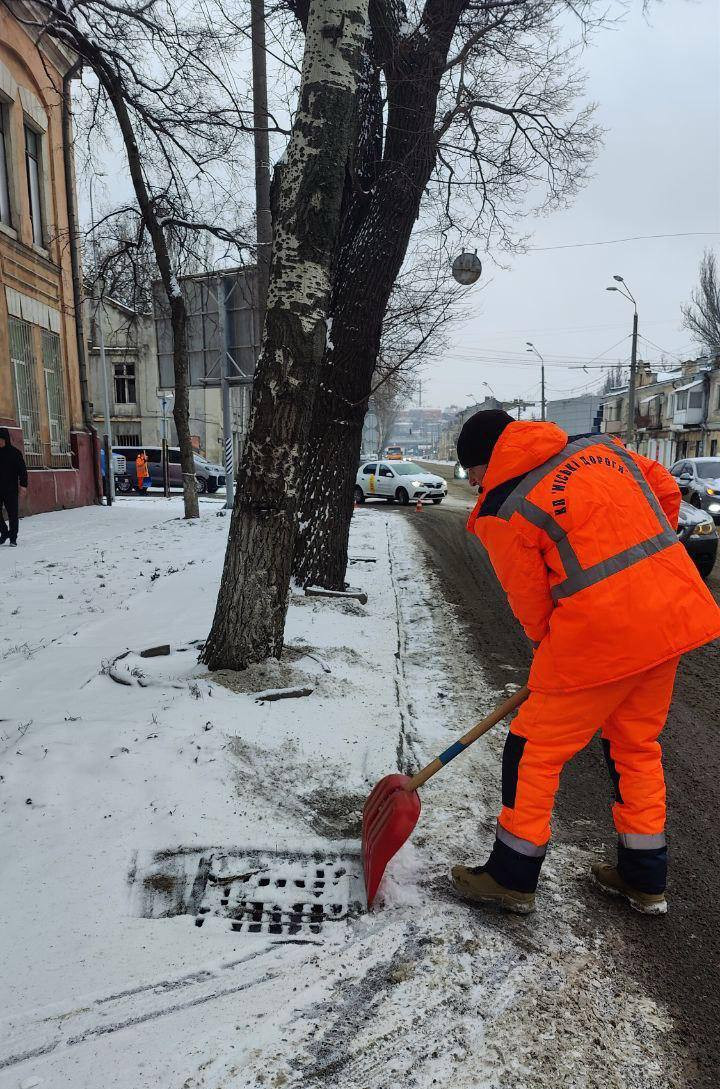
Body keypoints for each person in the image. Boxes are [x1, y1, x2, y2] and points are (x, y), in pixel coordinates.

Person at [451, 410, 720, 916]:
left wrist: (554, 652)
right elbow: (665, 489)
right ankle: (643, 877)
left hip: (602, 633)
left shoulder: (505, 507)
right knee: (635, 746)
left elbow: (531, 604)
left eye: (472, 472)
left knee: (533, 748)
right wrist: (642, 561)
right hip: (671, 612)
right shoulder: (599, 448)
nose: (472, 483)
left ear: (488, 459)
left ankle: (511, 876)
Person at [0, 427, 28, 547]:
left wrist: (23, 485)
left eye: (1, 439)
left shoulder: (15, 453)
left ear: (6, 439)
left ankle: (13, 538)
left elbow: (22, 471)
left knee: (12, 514)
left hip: (10, 489)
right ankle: (4, 532)